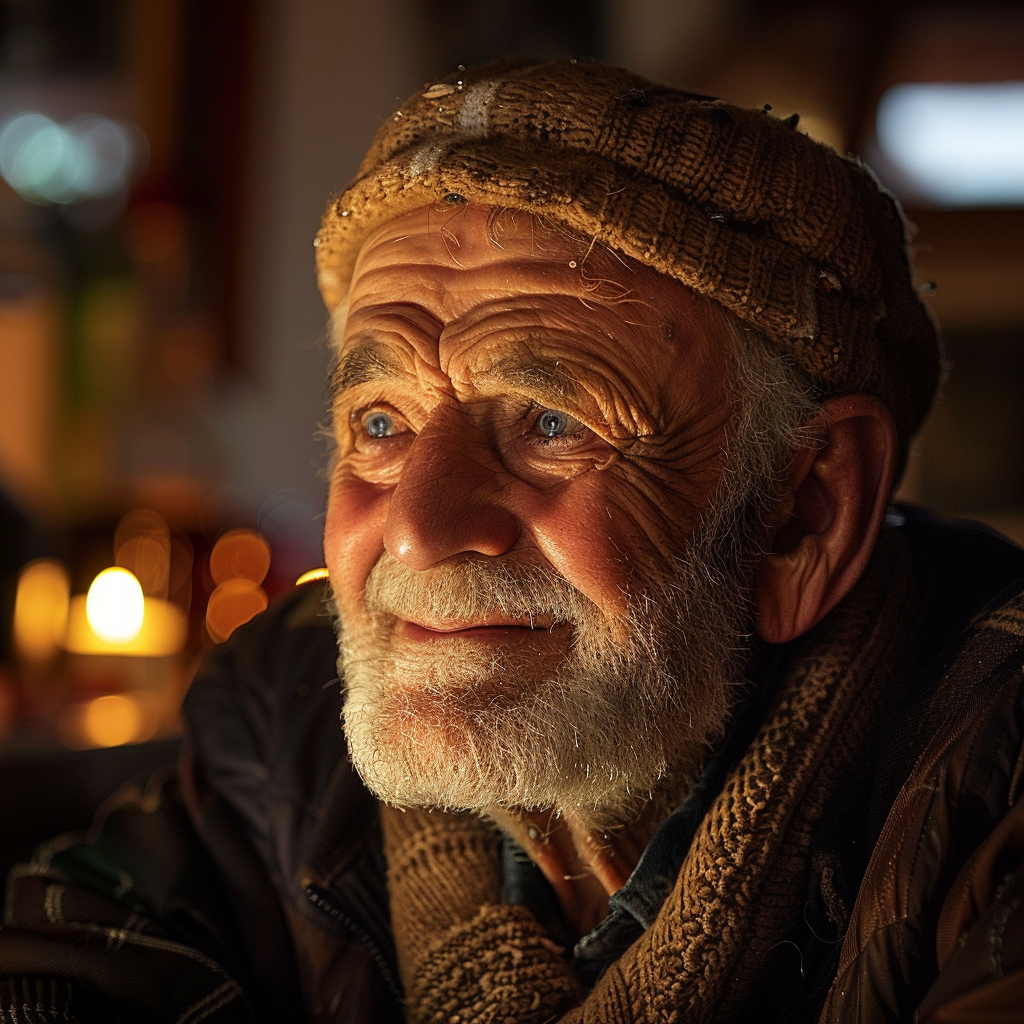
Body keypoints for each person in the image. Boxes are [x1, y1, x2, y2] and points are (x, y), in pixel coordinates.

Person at [2, 58, 1023, 1024]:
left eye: (549, 422)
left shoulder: (997, 777)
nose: (417, 528)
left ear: (807, 509)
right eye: (380, 425)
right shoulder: (285, 708)